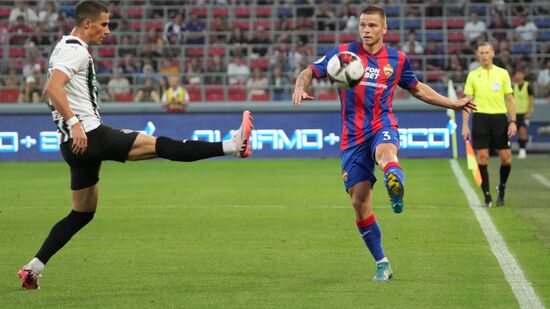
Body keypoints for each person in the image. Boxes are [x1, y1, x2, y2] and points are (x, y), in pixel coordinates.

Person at [17, 1, 254, 290]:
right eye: (103, 24)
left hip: (72, 146)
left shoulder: (61, 47)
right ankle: (233, 145)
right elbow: (52, 89)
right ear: (87, 24)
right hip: (91, 136)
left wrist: (70, 126)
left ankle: (33, 267)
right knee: (163, 146)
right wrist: (76, 123)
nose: (108, 30)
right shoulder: (75, 49)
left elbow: (50, 90)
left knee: (82, 213)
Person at [292, 5, 476, 282]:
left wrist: (453, 103)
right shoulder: (344, 54)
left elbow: (417, 88)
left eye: (372, 26)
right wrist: (300, 85)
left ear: (384, 29)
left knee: (386, 153)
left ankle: (393, 177)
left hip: (382, 124)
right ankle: (382, 262)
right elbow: (309, 71)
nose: (366, 30)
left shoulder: (397, 59)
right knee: (359, 203)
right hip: (352, 137)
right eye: (363, 25)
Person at [461, 42, 517, 208]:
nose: (484, 55)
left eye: (486, 52)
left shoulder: (502, 74)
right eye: (481, 53)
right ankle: (487, 195)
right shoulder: (473, 75)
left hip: (499, 119)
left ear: (492, 53)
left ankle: (502, 188)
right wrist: (465, 125)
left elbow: (509, 99)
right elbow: (467, 102)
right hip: (480, 119)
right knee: (483, 157)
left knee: (506, 159)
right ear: (478, 55)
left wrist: (512, 121)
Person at [512, 70, 534, 159]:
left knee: (522, 131)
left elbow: (532, 99)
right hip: (516, 113)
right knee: (518, 132)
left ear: (523, 75)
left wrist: (529, 111)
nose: (517, 75)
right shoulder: (514, 86)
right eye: (516, 73)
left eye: (519, 73)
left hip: (525, 113)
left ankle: (523, 150)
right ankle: (521, 150)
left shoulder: (528, 85)